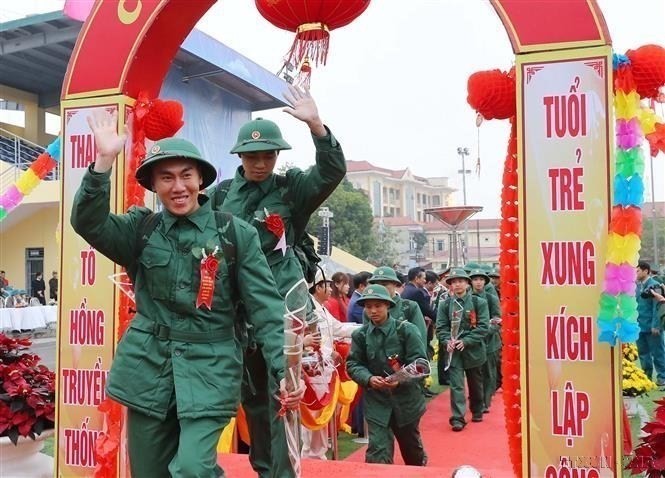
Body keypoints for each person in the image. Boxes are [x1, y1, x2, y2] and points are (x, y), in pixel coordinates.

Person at [71, 109, 303, 477]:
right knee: (149, 472)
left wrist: (284, 371)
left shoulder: (234, 234)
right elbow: (88, 222)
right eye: (166, 178)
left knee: (194, 468)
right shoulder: (140, 229)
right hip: (148, 366)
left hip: (210, 365)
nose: (177, 187)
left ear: (200, 180)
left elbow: (266, 309)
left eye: (186, 176)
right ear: (153, 185)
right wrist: (103, 162)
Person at [209, 84, 346, 477]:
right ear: (240, 156)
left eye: (268, 154)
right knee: (253, 398)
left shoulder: (291, 189)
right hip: (239, 311)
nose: (261, 163)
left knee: (283, 396)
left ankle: (283, 473)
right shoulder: (219, 198)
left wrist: (316, 125)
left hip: (284, 313)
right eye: (253, 155)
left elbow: (331, 171)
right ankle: (265, 467)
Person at [346, 284, 428, 466]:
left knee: (412, 450)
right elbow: (353, 364)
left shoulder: (406, 330)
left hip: (406, 401)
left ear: (388, 306)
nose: (373, 311)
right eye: (368, 307)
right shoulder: (360, 335)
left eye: (378, 305)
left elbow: (421, 364)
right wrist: (368, 378)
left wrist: (399, 380)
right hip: (377, 401)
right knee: (378, 451)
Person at [301, 266, 360, 459]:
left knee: (319, 415)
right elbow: (309, 340)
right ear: (318, 287)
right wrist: (329, 353)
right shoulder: (308, 309)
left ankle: (315, 454)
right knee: (313, 414)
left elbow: (338, 328)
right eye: (327, 285)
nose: (330, 289)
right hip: (312, 370)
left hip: (323, 370)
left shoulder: (321, 309)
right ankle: (312, 455)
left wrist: (365, 328)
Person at [436, 268, 489, 431]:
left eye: (460, 281)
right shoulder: (445, 304)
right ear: (450, 285)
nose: (457, 284)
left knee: (475, 384)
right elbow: (441, 327)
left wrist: (466, 341)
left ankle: (477, 409)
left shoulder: (479, 302)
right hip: (454, 353)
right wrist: (446, 341)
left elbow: (483, 327)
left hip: (473, 350)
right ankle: (458, 417)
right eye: (453, 282)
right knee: (456, 385)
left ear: (467, 283)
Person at [468, 269, 501, 413]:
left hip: (490, 342)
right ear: (471, 282)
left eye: (481, 279)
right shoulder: (467, 299)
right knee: (475, 375)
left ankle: (485, 402)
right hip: (473, 343)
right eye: (475, 279)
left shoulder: (491, 298)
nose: (478, 282)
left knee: (489, 374)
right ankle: (477, 400)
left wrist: (484, 331)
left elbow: (497, 319)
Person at [635, 260, 665, 386]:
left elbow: (657, 306)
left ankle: (662, 377)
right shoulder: (636, 285)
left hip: (652, 326)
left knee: (658, 353)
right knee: (643, 354)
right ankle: (646, 377)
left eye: (637, 271)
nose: (635, 273)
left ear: (645, 271)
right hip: (639, 326)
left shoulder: (656, 285)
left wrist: (656, 325)